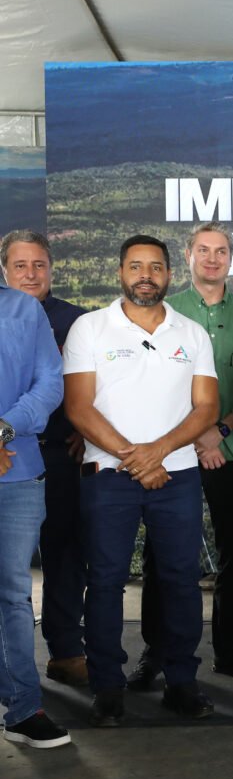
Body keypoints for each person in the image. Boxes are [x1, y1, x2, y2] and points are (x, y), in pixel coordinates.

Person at [63, 235, 219, 726]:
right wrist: (138, 459)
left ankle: (181, 682)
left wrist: (159, 452)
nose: (145, 275)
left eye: (155, 267)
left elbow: (206, 408)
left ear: (170, 274)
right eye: (136, 266)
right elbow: (79, 407)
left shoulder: (191, 333)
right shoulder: (90, 328)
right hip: (109, 477)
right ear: (120, 272)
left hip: (178, 475)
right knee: (106, 581)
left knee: (181, 581)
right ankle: (108, 688)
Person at [130, 222, 233, 689]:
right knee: (162, 556)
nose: (213, 258)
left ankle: (229, 652)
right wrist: (193, 439)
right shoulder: (165, 312)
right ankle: (157, 652)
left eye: (221, 251)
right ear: (188, 256)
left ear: (231, 258)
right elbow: (154, 387)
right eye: (204, 250)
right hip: (174, 453)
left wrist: (220, 431)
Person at [1, 230, 88, 687]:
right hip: (10, 454)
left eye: (39, 265)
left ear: (52, 269)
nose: (31, 274)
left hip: (60, 454)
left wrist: (87, 432)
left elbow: (101, 386)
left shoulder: (80, 322)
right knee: (13, 574)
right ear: (5, 270)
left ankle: (66, 650)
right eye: (21, 266)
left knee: (65, 554)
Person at [0, 280, 72, 749]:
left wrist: (4, 429)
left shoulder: (25, 309)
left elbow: (50, 383)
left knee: (13, 595)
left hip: (19, 473)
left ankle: (23, 709)